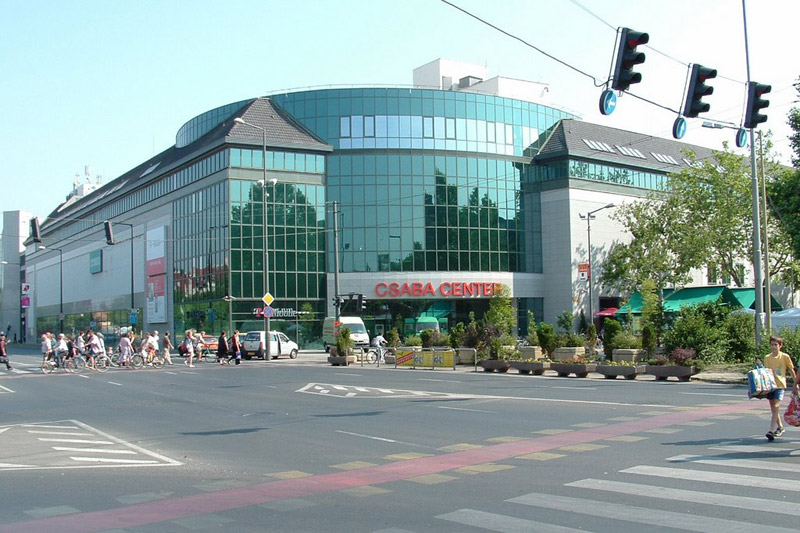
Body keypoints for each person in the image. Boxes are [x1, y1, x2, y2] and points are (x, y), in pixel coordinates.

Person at [763, 334, 797, 441]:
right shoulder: (767, 358)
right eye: (772, 345)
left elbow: (791, 370)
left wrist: (796, 383)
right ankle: (780, 427)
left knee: (776, 406)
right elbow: (766, 372)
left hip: (780, 385)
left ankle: (771, 430)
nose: (773, 347)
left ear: (780, 345)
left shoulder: (785, 357)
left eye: (775, 345)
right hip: (770, 385)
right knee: (773, 408)